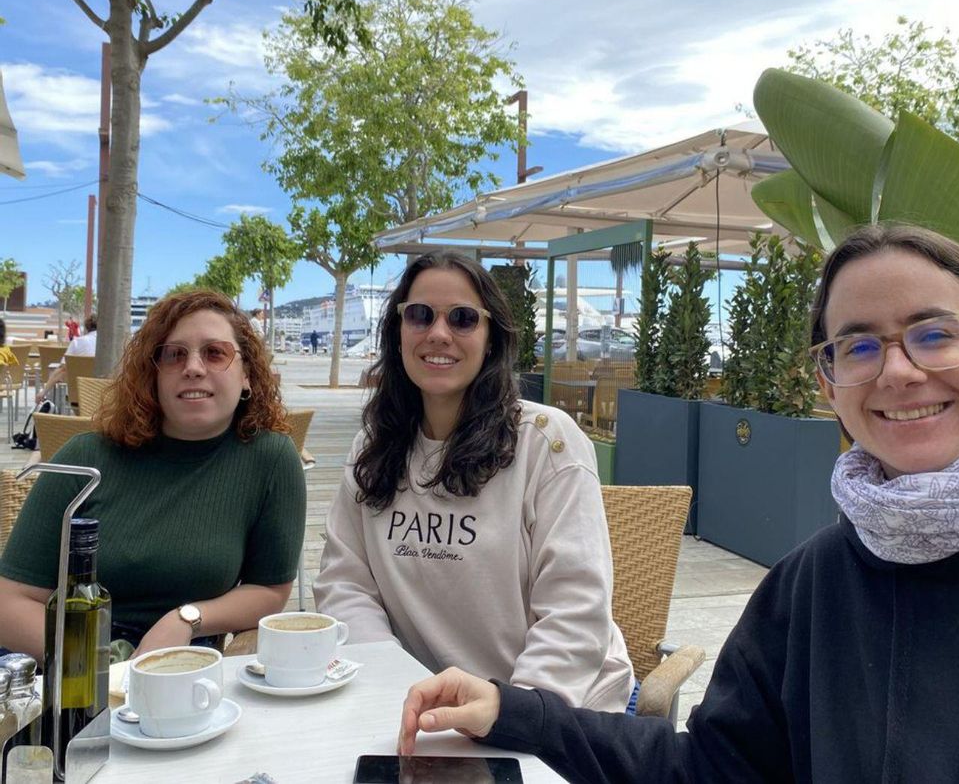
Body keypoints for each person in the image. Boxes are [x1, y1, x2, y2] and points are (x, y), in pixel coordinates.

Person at [398, 225, 959, 781]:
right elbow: (708, 770)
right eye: (857, 345)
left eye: (934, 332)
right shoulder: (810, 588)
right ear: (828, 386)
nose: (897, 371)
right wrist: (514, 712)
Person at [314, 252, 634, 713]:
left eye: (463, 318)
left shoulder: (546, 442)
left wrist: (510, 716)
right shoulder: (374, 446)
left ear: (490, 340)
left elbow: (575, 613)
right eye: (420, 315)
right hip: (422, 710)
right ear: (398, 331)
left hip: (559, 710)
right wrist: (390, 687)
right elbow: (345, 585)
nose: (438, 333)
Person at [0, 290, 306, 660]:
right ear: (153, 374)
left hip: (184, 664)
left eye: (215, 353)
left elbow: (270, 590)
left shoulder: (270, 459)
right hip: (62, 661)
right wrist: (107, 668)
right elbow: (11, 600)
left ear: (247, 376)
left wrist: (187, 618)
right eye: (174, 354)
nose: (193, 367)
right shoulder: (85, 456)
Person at [34, 313, 98, 404]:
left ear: (87, 327)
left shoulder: (77, 343)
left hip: (79, 396)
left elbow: (62, 370)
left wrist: (43, 392)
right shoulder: (113, 346)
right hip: (105, 397)